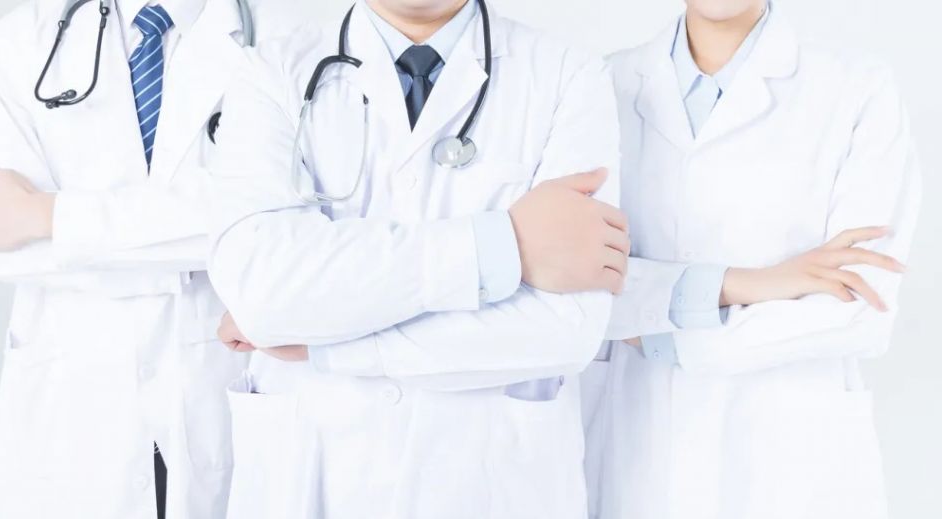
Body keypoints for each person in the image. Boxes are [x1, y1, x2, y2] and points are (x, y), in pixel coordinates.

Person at [207, 0, 627, 517]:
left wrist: (325, 347)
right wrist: (503, 243)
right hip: (310, 470)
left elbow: (566, 328)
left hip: (486, 481)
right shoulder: (271, 71)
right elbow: (264, 292)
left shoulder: (569, 76)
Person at [581, 1, 922, 518]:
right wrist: (756, 283)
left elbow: (859, 307)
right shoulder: (600, 85)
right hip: (635, 455)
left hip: (790, 460)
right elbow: (572, 284)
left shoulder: (858, 90)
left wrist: (663, 337)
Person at [0, 0, 280, 517]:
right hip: (74, 402)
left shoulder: (280, 34)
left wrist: (47, 216)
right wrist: (187, 244)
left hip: (216, 389)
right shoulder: (23, 40)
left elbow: (273, 220)